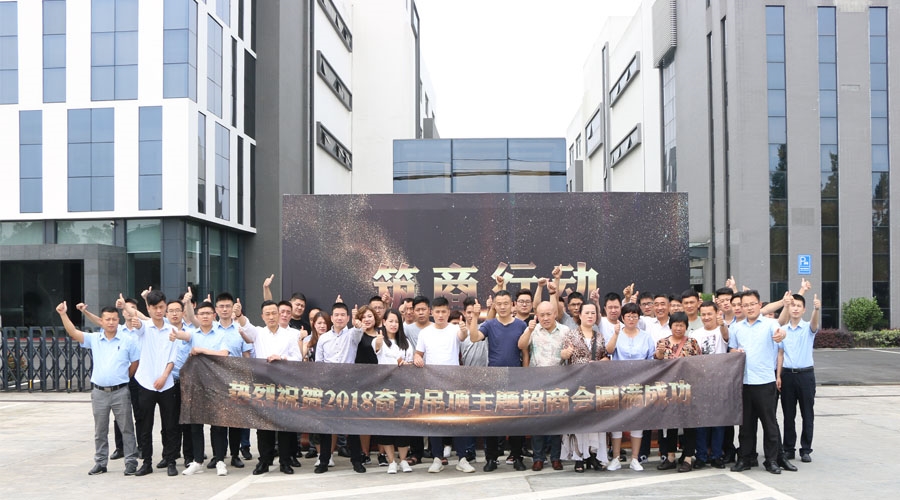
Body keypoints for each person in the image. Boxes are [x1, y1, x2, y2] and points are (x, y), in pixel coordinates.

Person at [56, 302, 140, 476]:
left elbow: (135, 363)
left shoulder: (128, 340)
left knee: (127, 428)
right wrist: (63, 314)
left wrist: (123, 378)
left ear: (118, 320)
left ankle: (131, 462)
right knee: (100, 430)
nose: (111, 322)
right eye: (107, 319)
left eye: (114, 319)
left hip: (120, 391)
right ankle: (100, 462)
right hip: (99, 392)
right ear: (101, 321)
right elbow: (73, 333)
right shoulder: (94, 339)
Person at [728, 290, 795, 474]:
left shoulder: (770, 324)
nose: (749, 308)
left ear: (759, 305)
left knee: (769, 424)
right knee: (745, 426)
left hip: (765, 382)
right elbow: (732, 349)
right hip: (744, 382)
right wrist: (736, 352)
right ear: (741, 307)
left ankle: (771, 460)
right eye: (745, 305)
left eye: (752, 304)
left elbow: (781, 330)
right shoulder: (736, 328)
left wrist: (782, 334)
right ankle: (745, 458)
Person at [237, 300, 303, 475]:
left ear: (279, 314)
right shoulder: (258, 333)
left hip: (284, 385)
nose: (272, 316)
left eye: (274, 313)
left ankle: (285, 461)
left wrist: (282, 358)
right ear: (262, 316)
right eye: (268, 314)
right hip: (263, 384)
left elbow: (297, 357)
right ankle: (264, 461)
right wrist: (239, 314)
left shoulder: (290, 335)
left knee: (284, 426)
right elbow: (246, 325)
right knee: (264, 426)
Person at [119, 290, 180, 477]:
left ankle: (170, 461)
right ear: (148, 308)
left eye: (161, 307)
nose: (159, 311)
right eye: (154, 308)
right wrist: (127, 307)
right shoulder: (144, 327)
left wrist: (164, 377)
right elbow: (136, 322)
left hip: (166, 383)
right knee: (145, 425)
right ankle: (146, 463)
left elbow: (172, 358)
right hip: (145, 383)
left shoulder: (172, 330)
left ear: (165, 307)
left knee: (170, 425)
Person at [169, 301, 231, 476]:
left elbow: (224, 354)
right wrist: (175, 334)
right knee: (196, 424)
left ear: (214, 315)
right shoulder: (192, 334)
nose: (205, 316)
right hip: (195, 385)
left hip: (216, 385)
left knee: (218, 425)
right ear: (196, 316)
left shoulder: (221, 335)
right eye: (201, 313)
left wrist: (201, 350)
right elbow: (181, 335)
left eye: (208, 313)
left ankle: (220, 460)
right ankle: (197, 461)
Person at [415, 297, 476, 473]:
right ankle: (437, 458)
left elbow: (463, 336)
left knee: (458, 422)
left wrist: (464, 330)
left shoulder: (455, 329)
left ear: (448, 312)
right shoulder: (425, 332)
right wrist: (417, 358)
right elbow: (418, 353)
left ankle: (462, 459)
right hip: (432, 383)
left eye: (444, 312)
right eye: (437, 312)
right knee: (435, 422)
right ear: (432, 313)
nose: (440, 315)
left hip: (454, 383)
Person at [469, 291, 528, 472]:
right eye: (499, 304)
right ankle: (491, 458)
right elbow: (473, 337)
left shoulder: (521, 325)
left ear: (513, 305)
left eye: (506, 303)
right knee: (492, 420)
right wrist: (475, 316)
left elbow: (525, 351)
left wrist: (525, 375)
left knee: (516, 421)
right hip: (493, 378)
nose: (502, 307)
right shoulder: (489, 324)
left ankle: (517, 456)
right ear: (494, 305)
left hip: (515, 377)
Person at [313, 302, 367, 474]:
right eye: (336, 315)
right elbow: (319, 363)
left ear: (348, 317)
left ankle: (356, 461)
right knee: (326, 425)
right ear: (331, 317)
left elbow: (358, 332)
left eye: (343, 315)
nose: (339, 318)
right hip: (328, 386)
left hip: (348, 385)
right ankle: (324, 461)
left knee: (352, 424)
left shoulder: (352, 335)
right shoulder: (323, 338)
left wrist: (357, 324)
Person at [518, 301, 568, 471]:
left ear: (555, 314)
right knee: (537, 421)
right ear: (537, 316)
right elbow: (521, 345)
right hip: (537, 382)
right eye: (542, 315)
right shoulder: (533, 329)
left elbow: (571, 353)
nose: (545, 318)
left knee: (556, 422)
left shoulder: (565, 331)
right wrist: (529, 330)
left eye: (548, 314)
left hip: (558, 383)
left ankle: (556, 457)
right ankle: (538, 458)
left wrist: (566, 354)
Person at [559, 302, 609, 473]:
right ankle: (578, 457)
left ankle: (593, 456)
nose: (590, 316)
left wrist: (600, 362)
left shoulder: (599, 336)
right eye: (586, 313)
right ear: (579, 315)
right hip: (577, 385)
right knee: (578, 421)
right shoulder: (571, 335)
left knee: (595, 421)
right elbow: (563, 355)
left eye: (593, 313)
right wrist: (565, 354)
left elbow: (606, 357)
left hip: (595, 384)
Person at [605, 302, 655, 471]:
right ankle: (616, 458)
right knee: (617, 421)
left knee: (637, 421)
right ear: (622, 318)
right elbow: (609, 351)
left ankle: (635, 458)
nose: (631, 319)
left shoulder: (646, 336)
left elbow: (651, 359)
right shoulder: (616, 333)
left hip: (640, 384)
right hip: (619, 384)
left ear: (639, 318)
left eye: (635, 316)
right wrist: (616, 334)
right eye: (628, 316)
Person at [655, 312, 702, 472]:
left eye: (682, 325)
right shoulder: (662, 343)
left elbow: (699, 363)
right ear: (671, 326)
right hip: (668, 390)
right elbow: (656, 363)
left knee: (689, 424)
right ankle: (670, 457)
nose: (679, 328)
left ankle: (688, 458)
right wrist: (660, 352)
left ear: (686, 327)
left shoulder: (692, 343)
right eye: (676, 325)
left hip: (688, 389)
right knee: (670, 424)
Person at [777, 292, 820, 463]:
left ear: (804, 310)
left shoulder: (808, 328)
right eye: (793, 305)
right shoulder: (782, 330)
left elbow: (814, 324)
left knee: (807, 414)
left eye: (799, 306)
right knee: (788, 415)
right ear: (789, 308)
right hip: (787, 375)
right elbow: (780, 354)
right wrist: (778, 376)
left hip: (805, 375)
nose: (795, 308)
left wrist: (816, 309)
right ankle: (789, 449)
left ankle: (806, 449)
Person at [690, 301, 729, 469]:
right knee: (701, 422)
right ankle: (701, 456)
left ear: (716, 313)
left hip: (720, 383)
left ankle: (717, 455)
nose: (706, 317)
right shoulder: (695, 334)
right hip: (700, 383)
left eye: (709, 314)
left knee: (718, 422)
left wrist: (723, 324)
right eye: (703, 314)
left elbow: (726, 337)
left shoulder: (722, 329)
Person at [375, 309, 415, 473]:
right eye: (390, 321)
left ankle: (403, 460)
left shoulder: (406, 342)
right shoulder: (378, 339)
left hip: (403, 389)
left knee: (403, 425)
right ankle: (391, 461)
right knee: (387, 425)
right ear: (384, 322)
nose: (393, 324)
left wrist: (407, 364)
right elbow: (378, 349)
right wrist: (379, 342)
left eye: (396, 321)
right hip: (385, 389)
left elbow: (410, 363)